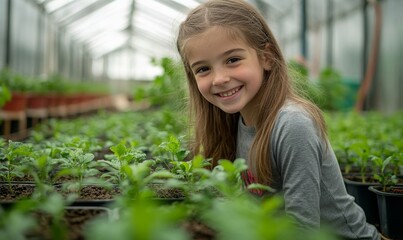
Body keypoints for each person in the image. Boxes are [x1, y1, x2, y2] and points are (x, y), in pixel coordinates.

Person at [175, 0, 380, 239]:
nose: (219, 78)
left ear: (267, 57)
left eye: (232, 60)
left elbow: (301, 230)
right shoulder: (234, 124)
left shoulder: (292, 124)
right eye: (203, 69)